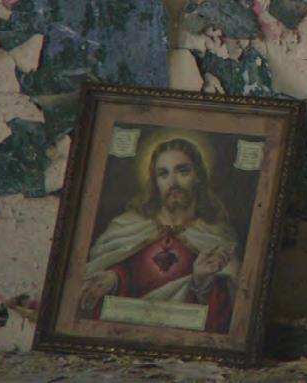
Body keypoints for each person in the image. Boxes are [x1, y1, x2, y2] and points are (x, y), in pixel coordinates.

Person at [79, 138, 240, 333]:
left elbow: (228, 310)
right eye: (163, 174)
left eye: (183, 171)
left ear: (198, 175)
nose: (172, 182)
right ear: (155, 182)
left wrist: (202, 282)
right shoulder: (127, 226)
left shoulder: (216, 235)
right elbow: (124, 271)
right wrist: (113, 278)